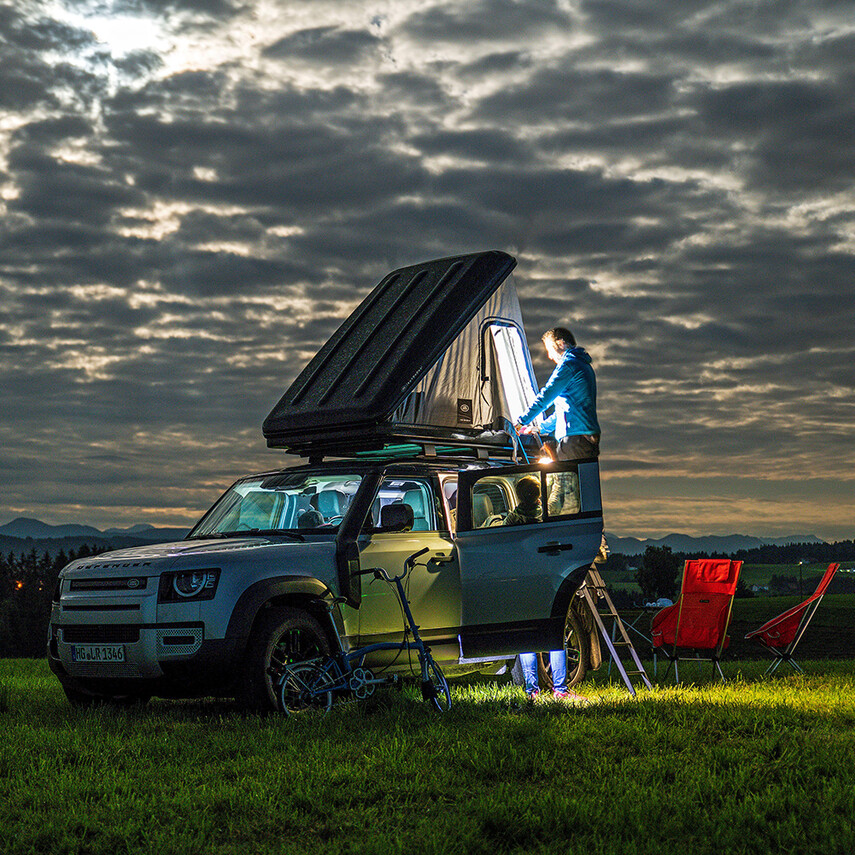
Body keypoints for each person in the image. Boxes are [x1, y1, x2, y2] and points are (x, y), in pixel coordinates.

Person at [503, 477, 584, 701]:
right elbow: (557, 497)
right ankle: (560, 689)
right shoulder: (547, 516)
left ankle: (532, 691)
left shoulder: (511, 520)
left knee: (527, 637)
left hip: (522, 583)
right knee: (555, 634)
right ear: (539, 495)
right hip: (549, 581)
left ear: (518, 496)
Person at [515, 327, 600, 460]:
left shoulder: (569, 365)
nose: (549, 356)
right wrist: (541, 428)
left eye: (549, 350)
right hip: (584, 439)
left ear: (561, 344)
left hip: (574, 440)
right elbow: (565, 411)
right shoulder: (582, 365)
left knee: (565, 478)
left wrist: (520, 423)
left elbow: (545, 397)